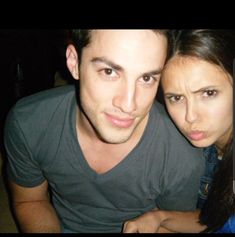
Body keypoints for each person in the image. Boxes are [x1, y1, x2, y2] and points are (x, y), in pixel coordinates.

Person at [4, 30, 205, 233]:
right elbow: (31, 201)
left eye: (146, 78)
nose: (129, 104)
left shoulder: (180, 152)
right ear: (74, 62)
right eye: (109, 72)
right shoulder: (29, 122)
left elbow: (173, 225)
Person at [123, 29, 234, 233]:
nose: (190, 117)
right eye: (176, 98)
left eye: (208, 93)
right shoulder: (197, 147)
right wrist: (159, 218)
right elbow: (213, 219)